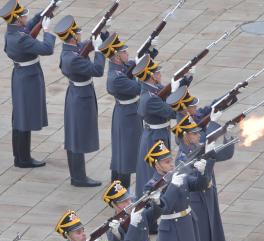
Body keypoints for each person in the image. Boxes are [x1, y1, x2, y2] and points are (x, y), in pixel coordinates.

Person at [171, 85, 236, 241]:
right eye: (194, 133)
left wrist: (227, 135)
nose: (198, 135)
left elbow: (224, 155)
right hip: (196, 195)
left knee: (210, 223)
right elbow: (189, 180)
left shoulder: (195, 147)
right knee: (201, 228)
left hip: (206, 187)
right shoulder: (184, 157)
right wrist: (215, 125)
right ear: (186, 137)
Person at [0, 0, 56, 168]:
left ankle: (20, 156)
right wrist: (46, 30)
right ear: (17, 19)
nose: (27, 17)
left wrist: (48, 9)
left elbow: (30, 25)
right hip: (28, 78)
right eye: (23, 15)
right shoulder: (21, 39)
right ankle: (23, 159)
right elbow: (47, 49)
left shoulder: (14, 31)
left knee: (20, 117)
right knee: (24, 117)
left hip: (21, 76)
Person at [54, 15, 109, 187]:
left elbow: (85, 45)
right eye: (78, 32)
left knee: (74, 135)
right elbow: (98, 70)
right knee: (76, 137)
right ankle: (78, 178)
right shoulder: (73, 58)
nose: (80, 35)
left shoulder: (70, 49)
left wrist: (102, 32)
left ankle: (77, 175)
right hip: (80, 96)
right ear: (72, 35)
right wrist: (100, 51)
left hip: (78, 93)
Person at [144, 140, 207, 241]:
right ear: (156, 164)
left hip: (187, 223)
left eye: (171, 160)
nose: (171, 164)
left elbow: (198, 185)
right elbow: (163, 208)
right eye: (166, 162)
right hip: (171, 227)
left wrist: (202, 172)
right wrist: (173, 186)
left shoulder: (177, 174)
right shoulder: (151, 186)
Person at [132, 54, 192, 199]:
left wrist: (183, 83)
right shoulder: (150, 98)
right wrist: (179, 93)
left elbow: (167, 94)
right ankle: (151, 202)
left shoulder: (153, 89)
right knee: (155, 172)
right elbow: (172, 111)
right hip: (155, 137)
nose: (160, 74)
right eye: (157, 72)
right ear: (152, 76)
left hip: (158, 133)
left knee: (163, 168)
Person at [98, 33, 142, 188]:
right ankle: (122, 192)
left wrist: (149, 51)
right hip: (127, 115)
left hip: (125, 112)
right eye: (123, 52)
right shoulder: (116, 77)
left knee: (121, 154)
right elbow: (139, 88)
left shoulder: (120, 67)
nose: (127, 54)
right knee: (126, 155)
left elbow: (135, 63)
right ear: (116, 56)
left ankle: (115, 187)